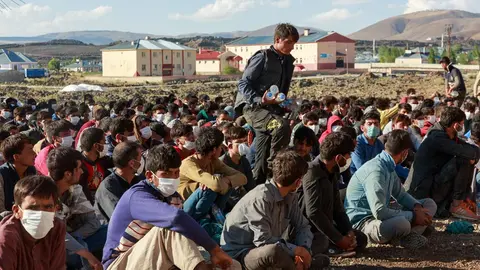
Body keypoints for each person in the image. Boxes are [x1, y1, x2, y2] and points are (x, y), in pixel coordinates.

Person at [102, 145, 238, 270]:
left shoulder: (174, 197)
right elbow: (175, 219)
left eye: (176, 173)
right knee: (169, 228)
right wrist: (214, 250)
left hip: (154, 256)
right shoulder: (137, 196)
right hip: (120, 262)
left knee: (232, 266)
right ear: (150, 176)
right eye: (166, 174)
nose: (173, 178)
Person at [221, 151, 330, 269]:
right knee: (272, 252)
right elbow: (263, 241)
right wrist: (298, 251)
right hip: (245, 253)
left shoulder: (290, 195)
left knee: (321, 238)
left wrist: (304, 250)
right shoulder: (261, 198)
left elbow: (302, 226)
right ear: (298, 182)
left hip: (278, 246)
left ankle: (300, 264)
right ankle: (303, 266)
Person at [345, 130, 437, 249]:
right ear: (404, 153)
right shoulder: (376, 171)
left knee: (429, 204)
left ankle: (406, 236)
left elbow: (400, 195)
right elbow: (379, 212)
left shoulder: (388, 165)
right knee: (402, 224)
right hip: (365, 223)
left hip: (382, 216)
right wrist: (413, 216)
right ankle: (407, 234)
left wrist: (417, 207)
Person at [235, 23, 298, 184]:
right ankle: (276, 165)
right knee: (280, 126)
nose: (292, 46)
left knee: (260, 160)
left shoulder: (287, 61)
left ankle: (259, 184)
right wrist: (258, 100)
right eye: (289, 42)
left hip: (269, 111)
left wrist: (285, 103)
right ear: (278, 39)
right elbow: (243, 84)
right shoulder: (262, 57)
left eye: (294, 43)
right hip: (253, 109)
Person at [298, 132, 367, 256]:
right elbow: (313, 212)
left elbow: (337, 207)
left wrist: (348, 231)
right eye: (348, 155)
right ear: (338, 157)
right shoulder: (311, 172)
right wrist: (339, 239)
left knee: (360, 238)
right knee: (322, 241)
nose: (349, 158)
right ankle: (332, 247)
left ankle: (336, 246)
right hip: (308, 228)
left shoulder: (333, 171)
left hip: (326, 223)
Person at [405, 107, 480, 220]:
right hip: (422, 190)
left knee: (466, 156)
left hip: (434, 184)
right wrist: (473, 155)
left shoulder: (447, 134)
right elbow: (464, 151)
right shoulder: (437, 137)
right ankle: (456, 205)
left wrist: (474, 154)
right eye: (461, 123)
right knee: (463, 159)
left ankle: (461, 201)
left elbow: (472, 149)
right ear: (455, 125)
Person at [48, 146, 105, 270]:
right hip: (52, 247)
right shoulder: (44, 195)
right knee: (76, 254)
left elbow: (93, 222)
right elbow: (56, 234)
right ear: (68, 174)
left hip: (72, 237)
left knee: (109, 231)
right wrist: (84, 251)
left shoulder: (74, 189)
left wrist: (75, 238)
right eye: (79, 168)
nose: (82, 172)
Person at [180, 127, 247, 221]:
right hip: (186, 208)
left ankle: (214, 218)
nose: (222, 149)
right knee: (208, 189)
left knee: (228, 184)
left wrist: (227, 180)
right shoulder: (189, 164)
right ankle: (201, 221)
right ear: (214, 149)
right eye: (220, 147)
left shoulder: (213, 161)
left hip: (208, 204)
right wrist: (220, 182)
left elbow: (242, 178)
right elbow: (214, 184)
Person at [0, 175, 66, 269]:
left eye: (48, 207)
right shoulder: (6, 236)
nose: (41, 214)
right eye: (33, 208)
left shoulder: (57, 228)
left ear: (55, 209)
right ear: (17, 211)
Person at [95, 141, 143, 222]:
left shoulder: (137, 180)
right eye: (140, 158)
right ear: (132, 163)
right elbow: (121, 217)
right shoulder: (108, 187)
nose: (142, 161)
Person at [0, 134, 37, 215]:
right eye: (30, 150)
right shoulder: (2, 175)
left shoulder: (32, 171)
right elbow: (1, 212)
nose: (35, 153)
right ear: (16, 157)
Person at [220, 126, 255, 206]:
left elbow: (250, 184)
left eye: (245, 141)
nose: (243, 144)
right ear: (230, 145)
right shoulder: (222, 163)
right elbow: (231, 195)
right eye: (239, 142)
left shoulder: (244, 161)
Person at [79, 127, 112, 204]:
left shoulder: (100, 160)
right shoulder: (80, 167)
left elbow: (118, 160)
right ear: (96, 146)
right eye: (104, 142)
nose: (105, 145)